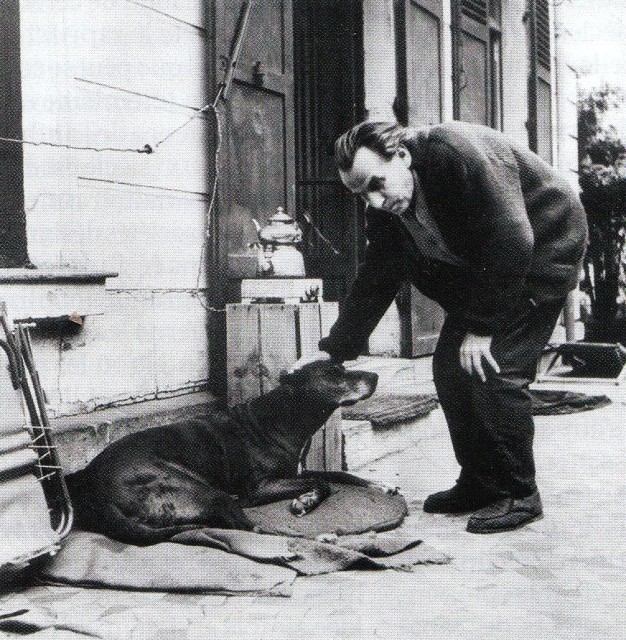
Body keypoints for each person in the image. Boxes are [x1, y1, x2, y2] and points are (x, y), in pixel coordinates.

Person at [294, 120, 588, 534]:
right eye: (362, 194)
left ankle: (520, 494)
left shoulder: (458, 154)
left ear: (402, 155)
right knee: (449, 368)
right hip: (491, 271)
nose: (375, 202)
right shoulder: (386, 203)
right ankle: (480, 482)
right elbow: (379, 272)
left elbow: (512, 238)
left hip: (541, 254)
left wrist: (482, 329)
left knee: (494, 371)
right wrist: (336, 349)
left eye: (377, 184)